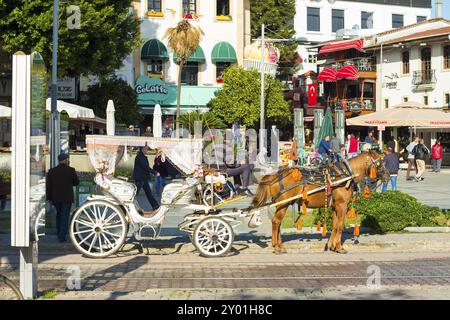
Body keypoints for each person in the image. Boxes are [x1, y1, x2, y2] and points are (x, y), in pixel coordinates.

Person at [46, 153, 79, 243]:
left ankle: (59, 233)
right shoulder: (71, 170)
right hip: (67, 198)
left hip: (55, 198)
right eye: (67, 159)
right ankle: (62, 236)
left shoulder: (52, 171)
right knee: (65, 216)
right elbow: (76, 183)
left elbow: (48, 186)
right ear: (66, 160)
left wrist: (48, 198)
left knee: (58, 215)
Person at [133, 145, 160, 210]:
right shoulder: (140, 157)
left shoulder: (141, 156)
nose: (147, 150)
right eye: (146, 149)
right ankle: (131, 207)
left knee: (149, 193)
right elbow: (146, 167)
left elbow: (145, 167)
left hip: (143, 178)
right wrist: (155, 172)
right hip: (140, 178)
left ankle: (155, 206)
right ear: (142, 149)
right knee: (135, 194)